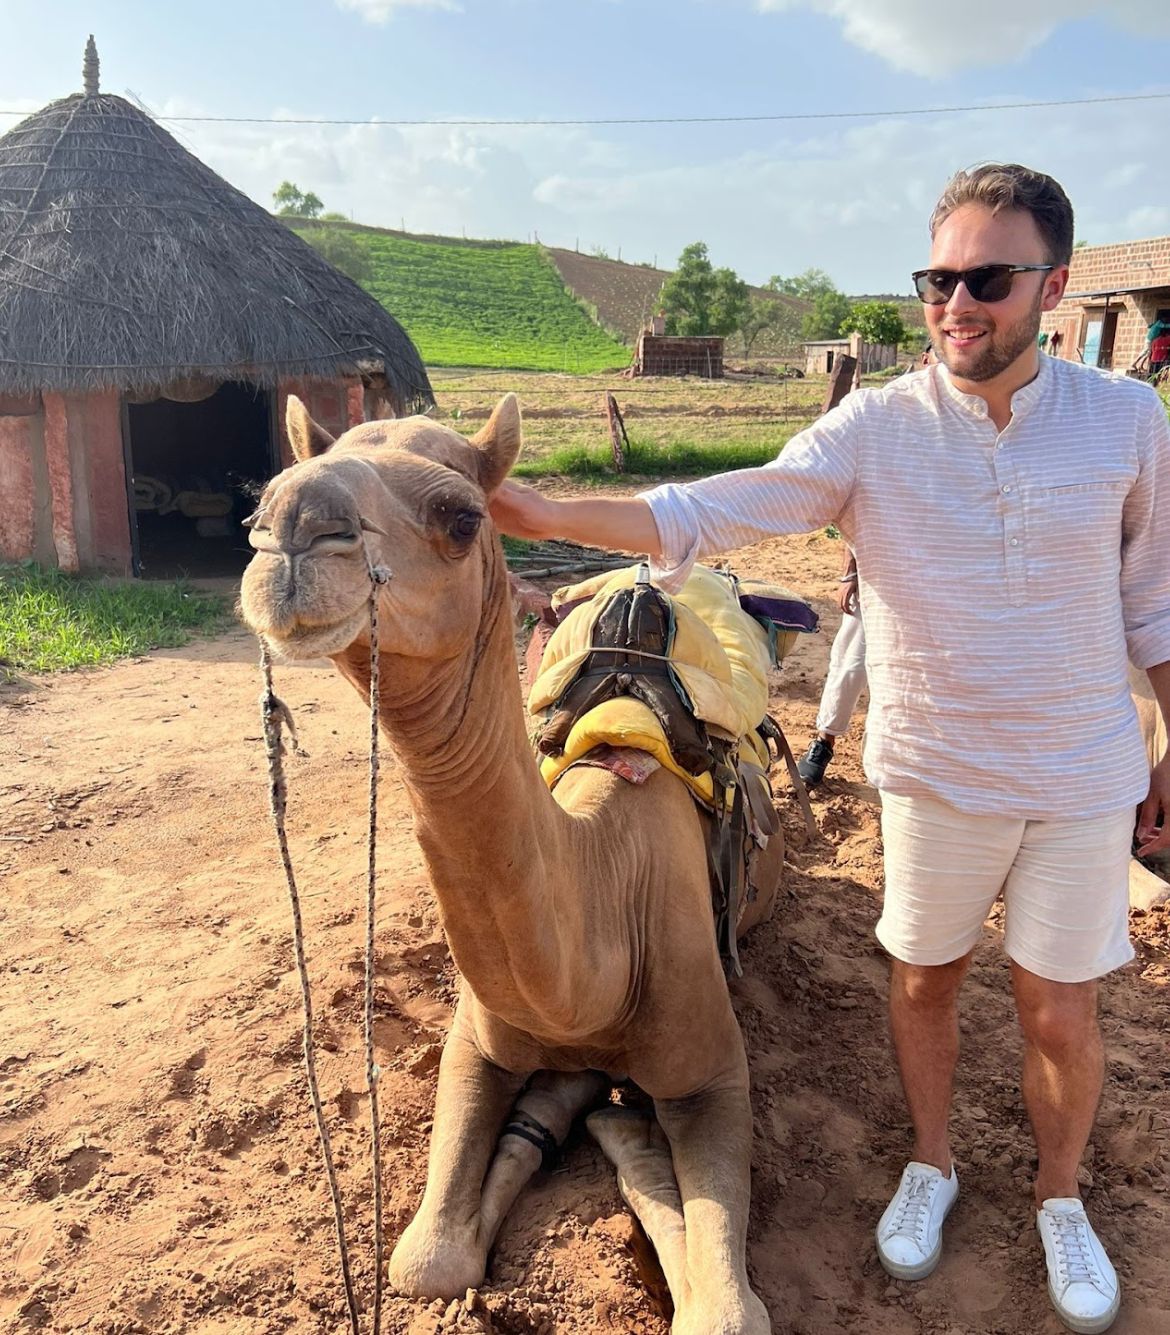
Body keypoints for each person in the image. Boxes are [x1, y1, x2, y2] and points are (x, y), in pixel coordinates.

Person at [491, 162, 1170, 1333]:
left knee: (1060, 1012)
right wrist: (550, 516)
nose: (956, 304)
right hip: (933, 773)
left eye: (988, 279)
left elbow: (1154, 603)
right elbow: (713, 509)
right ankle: (934, 1162)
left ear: (1052, 289)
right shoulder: (877, 428)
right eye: (937, 279)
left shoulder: (1128, 421)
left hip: (1079, 774)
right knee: (923, 981)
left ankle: (1062, 1195)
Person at [796, 546, 867, 788]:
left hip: (939, 583)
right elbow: (852, 516)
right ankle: (824, 743)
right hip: (876, 578)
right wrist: (849, 574)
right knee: (851, 664)